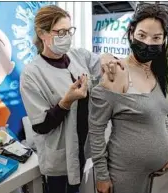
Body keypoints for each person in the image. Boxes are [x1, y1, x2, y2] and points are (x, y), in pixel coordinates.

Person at [20, 5, 120, 193]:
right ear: (42, 34)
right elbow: (41, 125)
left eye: (70, 30)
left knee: (79, 186)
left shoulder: (78, 55)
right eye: (61, 32)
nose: (67, 36)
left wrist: (107, 58)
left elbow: (100, 61)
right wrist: (66, 102)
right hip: (60, 156)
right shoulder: (32, 74)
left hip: (83, 146)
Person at [89, 3, 168, 193]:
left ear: (163, 41)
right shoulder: (116, 73)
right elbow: (96, 131)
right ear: (131, 34)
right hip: (123, 173)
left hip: (150, 174)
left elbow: (161, 117)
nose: (148, 43)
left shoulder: (157, 72)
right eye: (142, 35)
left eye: (156, 38)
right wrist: (102, 176)